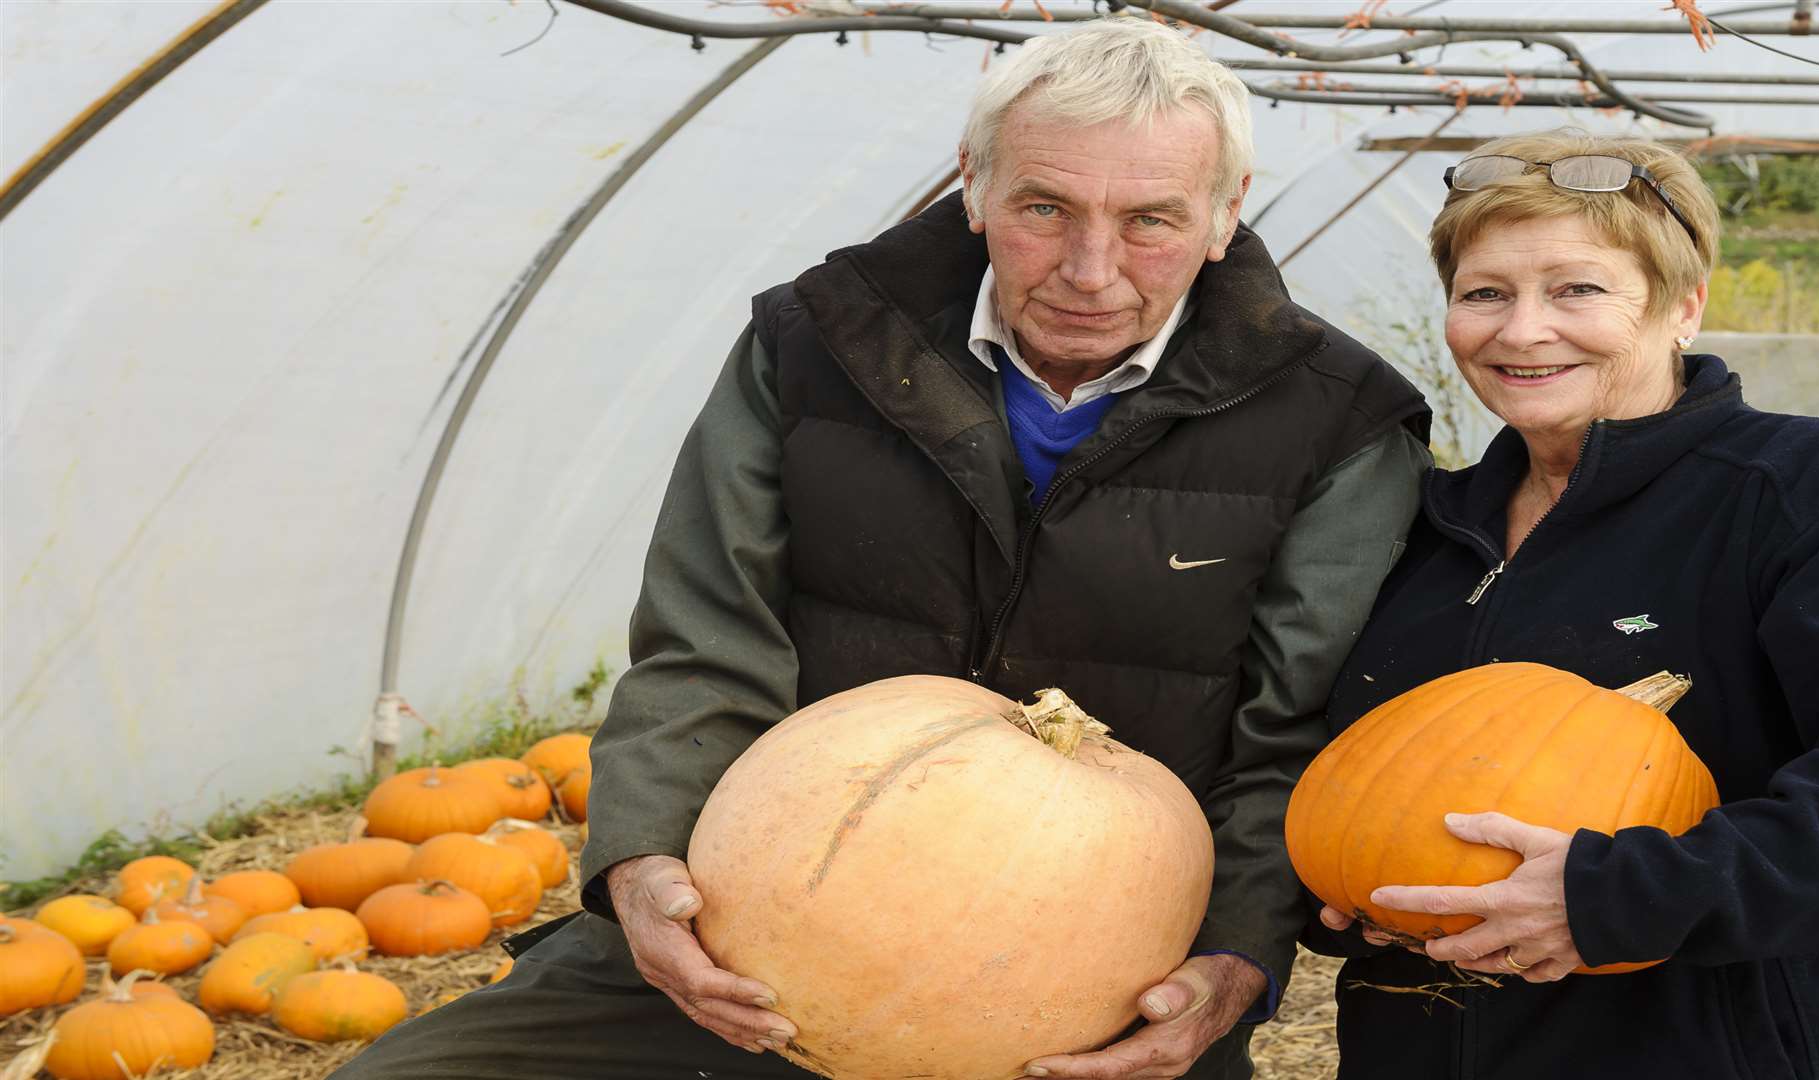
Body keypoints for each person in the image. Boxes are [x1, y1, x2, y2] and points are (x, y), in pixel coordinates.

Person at [334, 16, 1429, 1080]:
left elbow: (1288, 737)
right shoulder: (821, 342)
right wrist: (642, 859)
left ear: (1227, 212)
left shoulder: (1336, 421)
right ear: (974, 181)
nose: (1093, 268)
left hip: (1089, 983)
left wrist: (1235, 962)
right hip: (748, 926)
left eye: (1152, 220)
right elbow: (708, 638)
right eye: (1044, 206)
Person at [1309, 130, 1819, 1078]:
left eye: (1576, 289)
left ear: (1684, 306)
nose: (1521, 330)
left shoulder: (1803, 490)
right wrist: (1361, 901)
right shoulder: (1430, 527)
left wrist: (1623, 898)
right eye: (1484, 293)